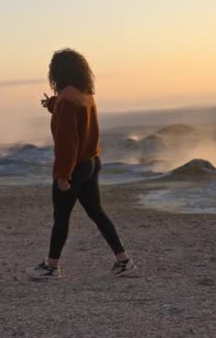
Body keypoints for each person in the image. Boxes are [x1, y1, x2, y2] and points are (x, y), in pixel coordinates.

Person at [26, 48, 137, 279]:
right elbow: (72, 116)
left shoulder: (67, 100)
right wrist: (52, 104)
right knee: (97, 213)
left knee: (61, 219)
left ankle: (51, 267)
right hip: (92, 162)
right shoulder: (85, 95)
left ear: (57, 71)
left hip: (75, 167)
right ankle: (124, 261)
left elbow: (68, 142)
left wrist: (62, 176)